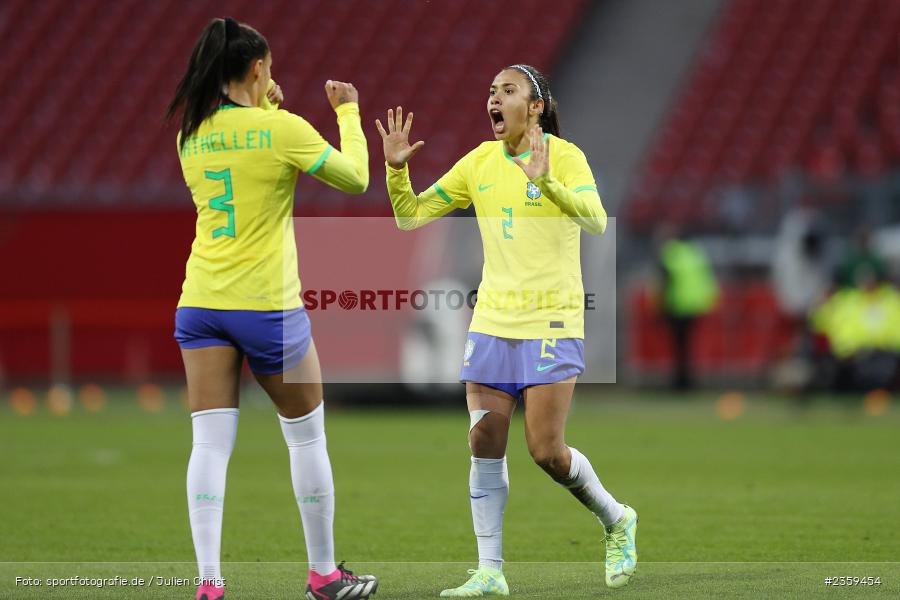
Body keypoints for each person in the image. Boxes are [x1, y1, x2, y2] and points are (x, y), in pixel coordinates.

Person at [376, 64, 638, 594]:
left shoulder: (565, 156)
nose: (494, 99)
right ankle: (490, 571)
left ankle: (616, 519)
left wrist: (548, 183)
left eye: (508, 90)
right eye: (491, 91)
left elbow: (594, 218)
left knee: (546, 451)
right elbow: (410, 216)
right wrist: (397, 171)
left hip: (552, 317)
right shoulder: (479, 162)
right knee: (484, 439)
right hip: (493, 319)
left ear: (535, 106)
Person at [166, 17, 376, 600]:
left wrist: (265, 109)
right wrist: (348, 113)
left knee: (208, 444)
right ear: (258, 69)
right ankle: (325, 576)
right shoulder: (283, 128)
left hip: (202, 302)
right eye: (271, 68)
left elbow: (241, 150)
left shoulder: (190, 134)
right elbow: (356, 178)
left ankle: (209, 584)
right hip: (266, 306)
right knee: (306, 437)